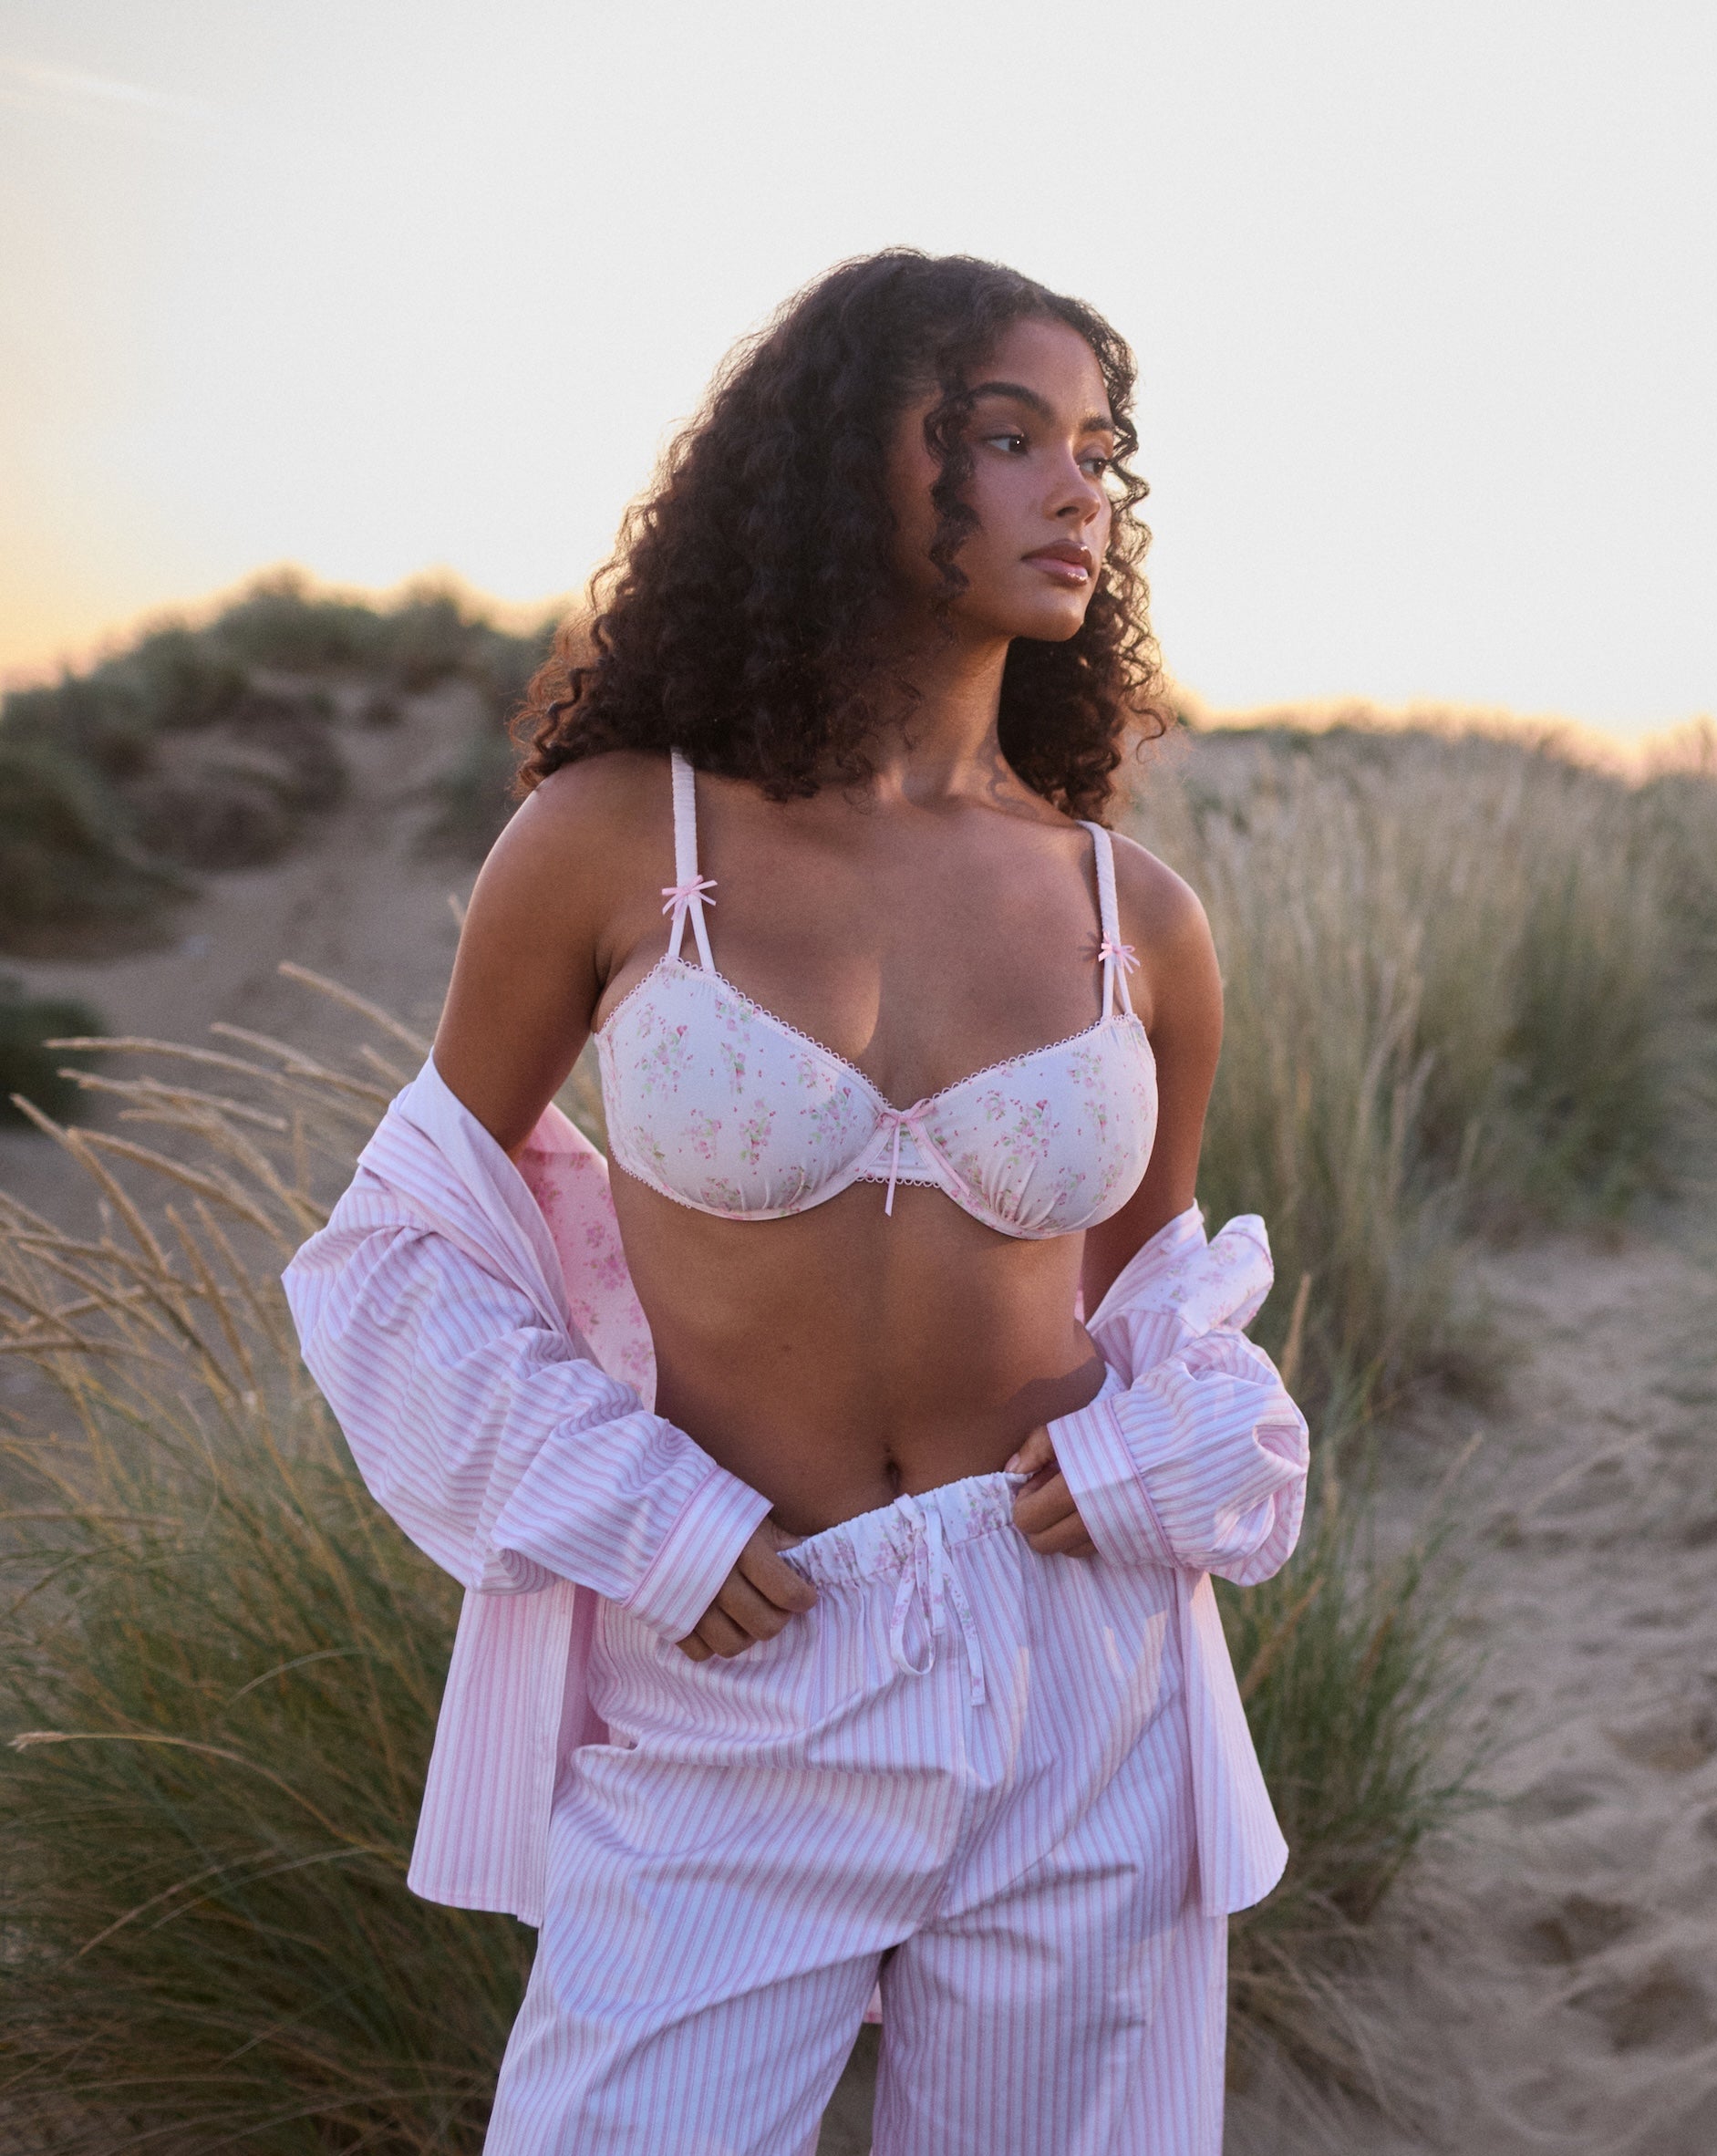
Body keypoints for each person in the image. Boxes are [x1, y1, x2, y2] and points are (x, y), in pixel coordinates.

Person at [282, 250, 1307, 2155]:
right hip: (741, 1667)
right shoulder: (616, 839)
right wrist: (642, 1510)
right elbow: (397, 1255)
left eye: (1099, 451)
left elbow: (1164, 1306)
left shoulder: (1135, 918)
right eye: (1008, 437)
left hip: (1080, 1686)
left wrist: (1161, 1459)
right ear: (854, 458)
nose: (1077, 492)